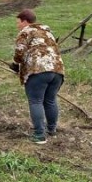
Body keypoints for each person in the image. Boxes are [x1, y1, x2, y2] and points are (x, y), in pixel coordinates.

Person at [11, 9, 65, 144]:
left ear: (24, 21)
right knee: (50, 100)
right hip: (57, 70)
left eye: (18, 22)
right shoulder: (47, 32)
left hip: (38, 70)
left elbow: (19, 52)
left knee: (36, 101)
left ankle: (39, 135)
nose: (17, 25)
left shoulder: (26, 32)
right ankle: (51, 129)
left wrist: (15, 65)